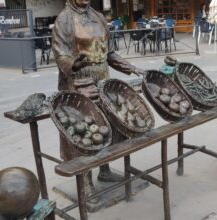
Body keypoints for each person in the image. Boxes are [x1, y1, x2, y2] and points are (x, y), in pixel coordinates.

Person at [52, 0, 145, 185]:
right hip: (78, 81)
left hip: (102, 78)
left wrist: (132, 68)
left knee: (106, 125)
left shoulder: (98, 16)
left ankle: (105, 170)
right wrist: (74, 63)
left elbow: (109, 53)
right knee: (82, 131)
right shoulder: (64, 20)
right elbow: (60, 53)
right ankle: (85, 183)